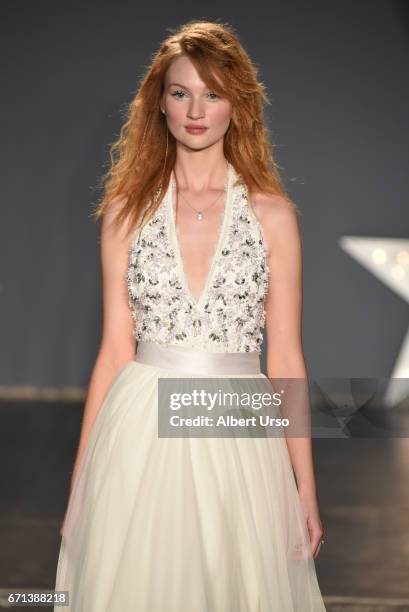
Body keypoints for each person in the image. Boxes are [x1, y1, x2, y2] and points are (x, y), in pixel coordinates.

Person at [54, 19, 327, 611]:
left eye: (213, 93)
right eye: (181, 93)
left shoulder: (273, 216)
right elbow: (113, 349)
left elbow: (284, 356)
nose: (196, 110)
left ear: (239, 105)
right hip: (139, 428)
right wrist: (80, 483)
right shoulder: (126, 212)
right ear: (161, 103)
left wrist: (304, 484)